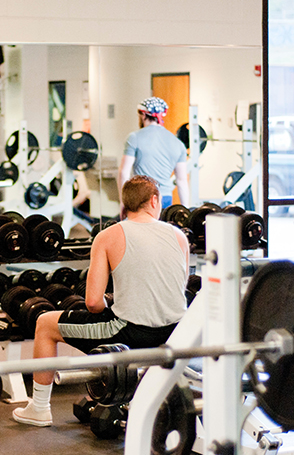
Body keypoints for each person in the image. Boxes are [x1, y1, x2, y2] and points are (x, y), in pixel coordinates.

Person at [12, 175, 189, 427]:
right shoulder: (179, 236)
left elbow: (93, 303)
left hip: (131, 334)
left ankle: (39, 408)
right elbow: (174, 289)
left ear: (125, 204)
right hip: (174, 334)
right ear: (154, 200)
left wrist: (110, 303)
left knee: (44, 323)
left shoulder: (108, 236)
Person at [118, 97, 189, 211]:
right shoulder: (178, 143)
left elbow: (124, 172)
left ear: (143, 115)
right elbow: (181, 180)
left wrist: (123, 202)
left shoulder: (134, 137)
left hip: (141, 197)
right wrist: (186, 209)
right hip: (165, 198)